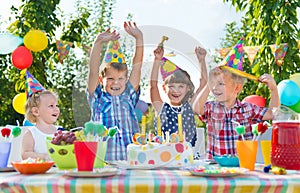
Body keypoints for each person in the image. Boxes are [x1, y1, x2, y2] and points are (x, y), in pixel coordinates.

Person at [192, 65, 280, 160]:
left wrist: (273, 90)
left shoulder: (248, 109)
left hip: (242, 165)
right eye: (212, 83)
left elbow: (272, 113)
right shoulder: (211, 108)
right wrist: (207, 85)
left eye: (220, 83)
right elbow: (196, 109)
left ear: (237, 88)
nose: (214, 88)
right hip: (215, 168)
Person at [87, 21, 143, 160]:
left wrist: (139, 38)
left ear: (126, 79)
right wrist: (98, 42)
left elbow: (137, 66)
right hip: (103, 162)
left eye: (120, 78)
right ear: (101, 80)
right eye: (110, 78)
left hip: (131, 161)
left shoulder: (129, 95)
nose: (116, 82)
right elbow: (93, 71)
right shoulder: (97, 99)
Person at [150, 43, 207, 146]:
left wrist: (201, 60)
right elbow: (153, 85)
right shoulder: (161, 108)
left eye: (181, 86)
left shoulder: (190, 107)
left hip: (188, 157)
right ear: (164, 88)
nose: (176, 90)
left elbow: (204, 83)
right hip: (164, 156)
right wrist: (157, 60)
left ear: (188, 88)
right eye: (171, 86)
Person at [22, 90, 60, 160]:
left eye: (57, 105)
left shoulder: (60, 131)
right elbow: (25, 155)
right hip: (41, 170)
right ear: (36, 111)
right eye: (51, 106)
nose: (56, 109)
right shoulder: (31, 133)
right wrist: (44, 156)